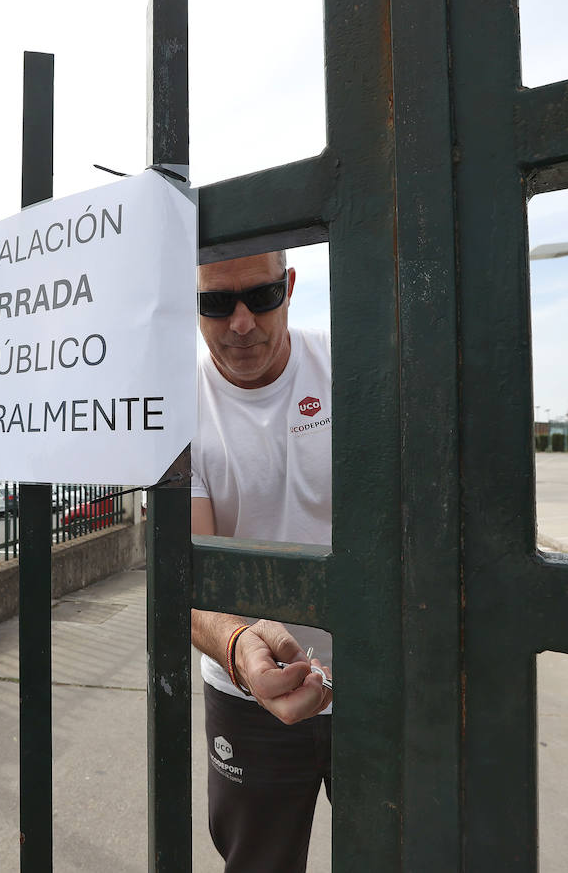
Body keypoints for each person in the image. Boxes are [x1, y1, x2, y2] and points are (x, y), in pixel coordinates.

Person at [190, 249, 334, 872]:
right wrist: (237, 642)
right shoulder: (174, 410)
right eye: (216, 304)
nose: (241, 322)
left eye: (261, 297)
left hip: (382, 674)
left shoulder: (352, 368)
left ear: (291, 285)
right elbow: (183, 574)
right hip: (244, 697)